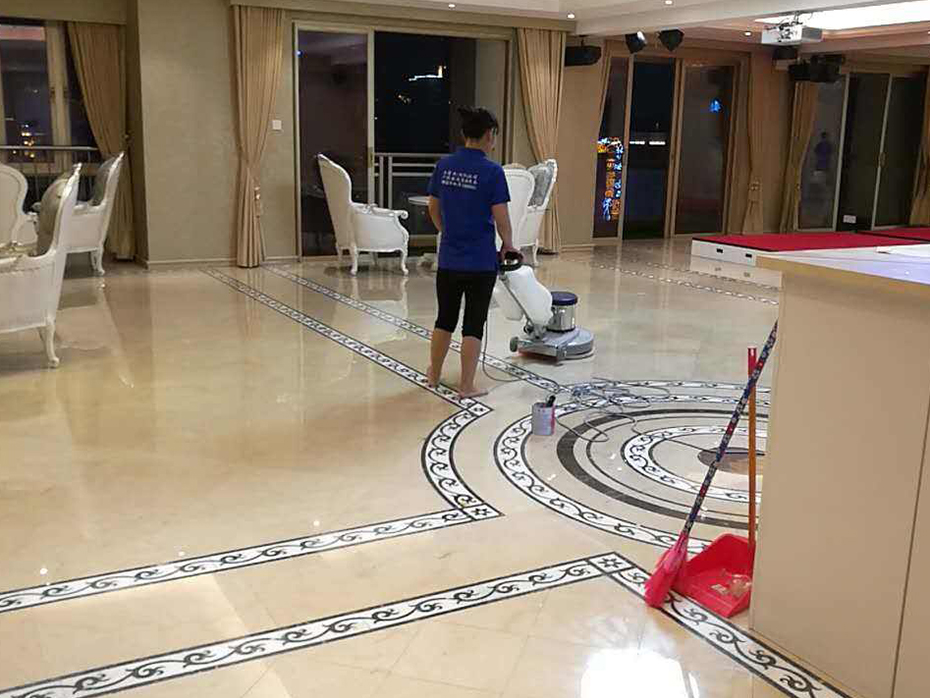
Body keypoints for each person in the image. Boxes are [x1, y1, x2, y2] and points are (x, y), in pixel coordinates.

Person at [426, 106, 518, 398]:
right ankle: (466, 385)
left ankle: (434, 374)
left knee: (444, 319)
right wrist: (508, 244)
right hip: (480, 262)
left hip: (449, 259)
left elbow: (433, 208)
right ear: (489, 135)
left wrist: (446, 231)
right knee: (473, 325)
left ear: (464, 134)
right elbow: (501, 217)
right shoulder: (492, 171)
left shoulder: (444, 166)